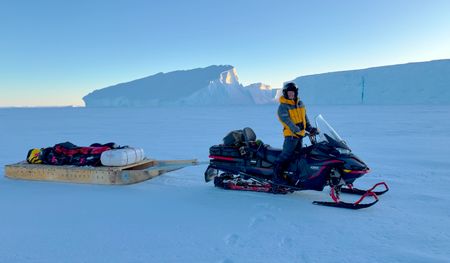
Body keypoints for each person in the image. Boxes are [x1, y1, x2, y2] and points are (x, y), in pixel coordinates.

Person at [273, 82, 318, 183]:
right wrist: (296, 130)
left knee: (297, 156)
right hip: (291, 136)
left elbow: (305, 118)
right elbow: (286, 121)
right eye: (289, 92)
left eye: (292, 92)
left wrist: (310, 128)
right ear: (285, 93)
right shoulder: (283, 106)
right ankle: (276, 176)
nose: (291, 94)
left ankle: (292, 176)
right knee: (286, 155)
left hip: (300, 135)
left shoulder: (300, 103)